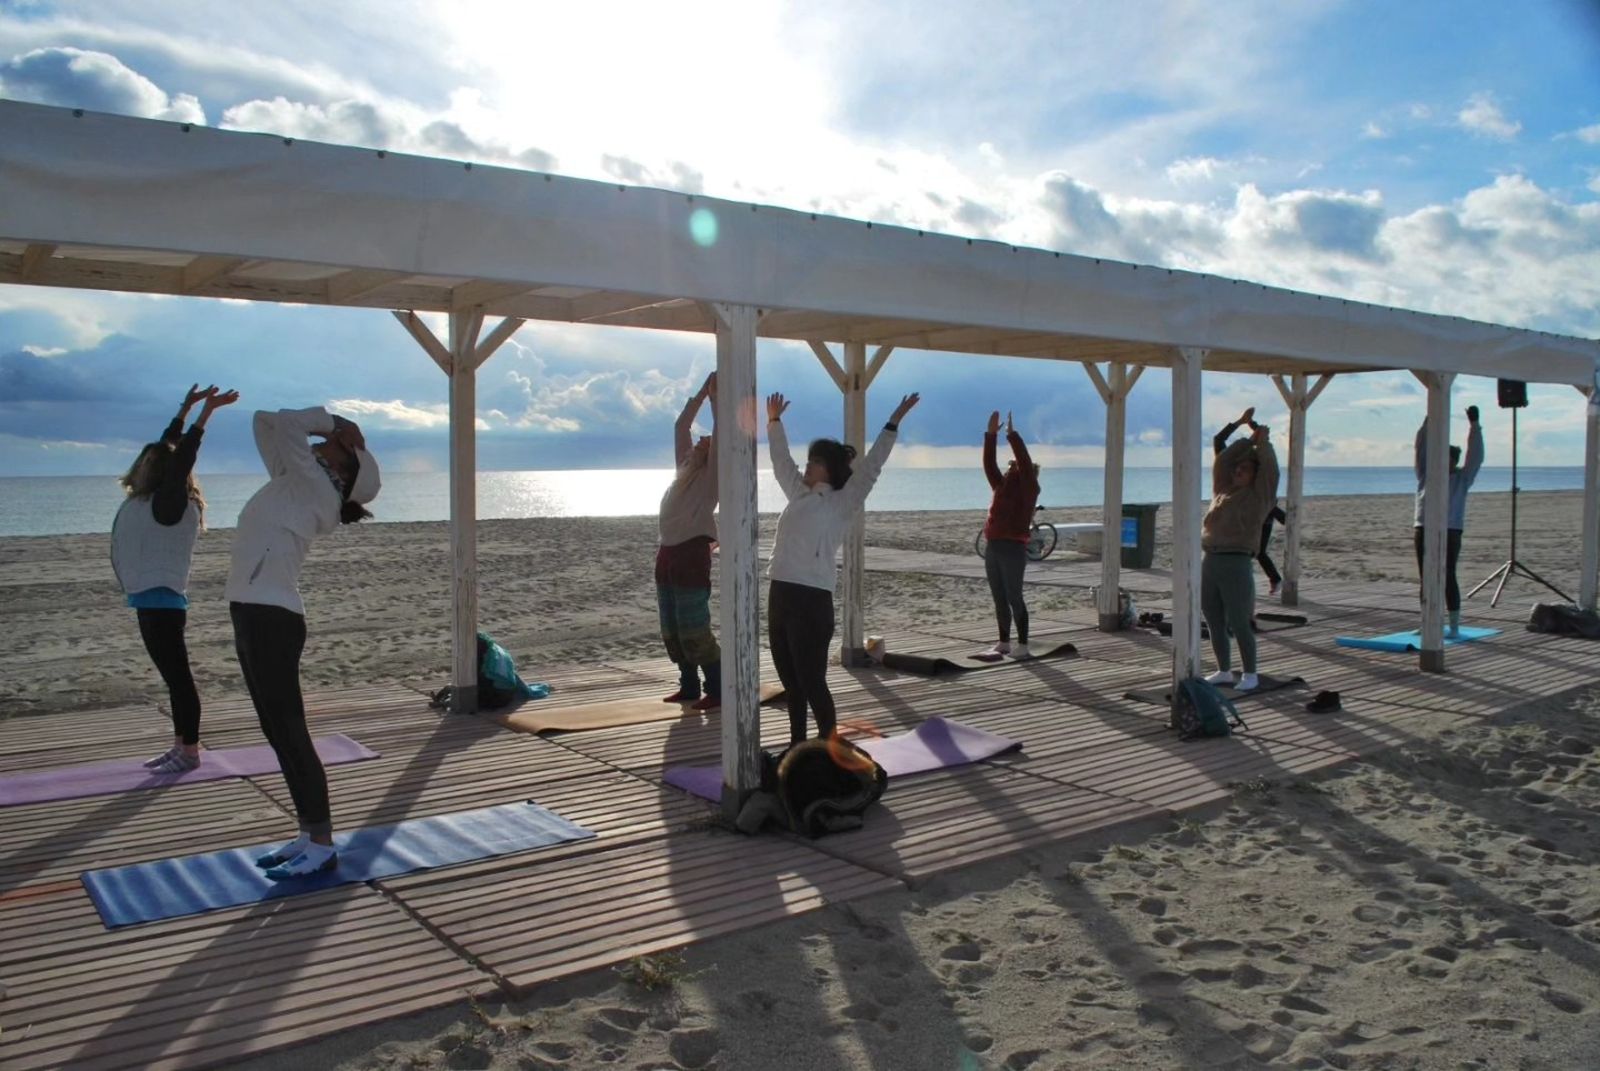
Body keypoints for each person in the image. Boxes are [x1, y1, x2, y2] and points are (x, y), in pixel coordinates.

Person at [227, 406, 380, 880]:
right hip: (252, 609)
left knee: (291, 731)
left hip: (272, 617)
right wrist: (334, 431)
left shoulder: (313, 487)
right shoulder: (295, 480)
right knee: (276, 732)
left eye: (331, 447)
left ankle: (322, 842)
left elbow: (292, 425)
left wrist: (334, 423)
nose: (322, 444)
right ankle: (307, 829)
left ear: (341, 468)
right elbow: (264, 421)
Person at [766, 389, 920, 742]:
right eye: (808, 460)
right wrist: (774, 423)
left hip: (811, 602)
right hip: (780, 593)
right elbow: (780, 462)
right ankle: (797, 747)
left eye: (814, 461)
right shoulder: (798, 494)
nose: (806, 465)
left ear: (829, 469)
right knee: (791, 684)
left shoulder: (842, 502)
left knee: (812, 682)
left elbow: (871, 469)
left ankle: (828, 748)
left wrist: (893, 422)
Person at [111, 384, 238, 773]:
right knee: (174, 679)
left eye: (150, 461)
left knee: (179, 680)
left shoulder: (169, 503)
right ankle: (181, 746)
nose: (144, 463)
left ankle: (189, 752)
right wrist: (185, 408)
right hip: (150, 600)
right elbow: (169, 448)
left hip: (161, 603)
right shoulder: (155, 499)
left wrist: (204, 416)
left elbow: (179, 458)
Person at [657, 373, 721, 711]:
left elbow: (724, 434)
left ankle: (718, 688)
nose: (700, 442)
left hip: (691, 553)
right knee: (671, 625)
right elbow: (681, 425)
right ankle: (689, 685)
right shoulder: (685, 469)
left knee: (694, 624)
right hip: (667, 551)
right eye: (700, 441)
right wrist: (701, 393)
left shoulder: (712, 478)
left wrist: (716, 400)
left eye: (706, 443)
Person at [1201, 419, 1280, 692]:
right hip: (1211, 559)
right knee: (1212, 617)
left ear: (1254, 475)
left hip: (1236, 561)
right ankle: (1223, 669)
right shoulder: (1222, 491)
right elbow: (1223, 461)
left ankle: (1250, 673)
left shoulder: (1259, 496)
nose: (1237, 472)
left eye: (1244, 469)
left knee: (1238, 620)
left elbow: (1270, 471)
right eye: (1238, 469)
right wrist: (1246, 440)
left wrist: (1262, 442)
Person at [1414, 406, 1484, 637]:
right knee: (1426, 576)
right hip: (1423, 526)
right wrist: (1430, 417)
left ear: (1455, 461)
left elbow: (1475, 456)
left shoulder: (1462, 479)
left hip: (1451, 529)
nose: (1445, 462)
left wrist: (1474, 425)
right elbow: (1421, 446)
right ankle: (1427, 622)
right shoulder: (1426, 473)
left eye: (1450, 459)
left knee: (1447, 574)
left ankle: (1453, 626)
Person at [979, 410, 1041, 659]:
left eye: (1011, 467)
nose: (1007, 469)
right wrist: (990, 436)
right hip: (993, 545)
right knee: (999, 596)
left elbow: (1025, 462)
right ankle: (1004, 642)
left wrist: (1012, 436)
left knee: (1015, 596)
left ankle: (1023, 646)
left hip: (1013, 547)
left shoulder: (1029, 487)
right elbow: (989, 466)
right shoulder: (1001, 486)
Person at [1214, 407, 1287, 595]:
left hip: (1262, 512)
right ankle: (1269, 581)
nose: (1239, 470)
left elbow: (1261, 441)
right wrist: (1240, 422)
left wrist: (1251, 424)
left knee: (1257, 551)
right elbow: (1218, 439)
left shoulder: (1253, 464)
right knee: (1241, 550)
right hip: (1237, 515)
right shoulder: (1226, 466)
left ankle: (1274, 580)